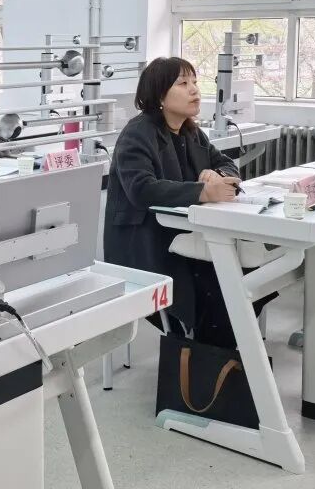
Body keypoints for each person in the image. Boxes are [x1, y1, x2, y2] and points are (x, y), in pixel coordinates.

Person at [103, 57, 243, 347]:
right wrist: (203, 192)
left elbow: (227, 164)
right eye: (183, 83)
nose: (194, 90)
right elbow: (142, 189)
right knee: (217, 285)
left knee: (237, 277)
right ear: (159, 96)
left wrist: (217, 175)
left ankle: (219, 354)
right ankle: (201, 355)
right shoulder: (138, 133)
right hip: (146, 241)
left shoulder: (191, 131)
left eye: (195, 82)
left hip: (183, 235)